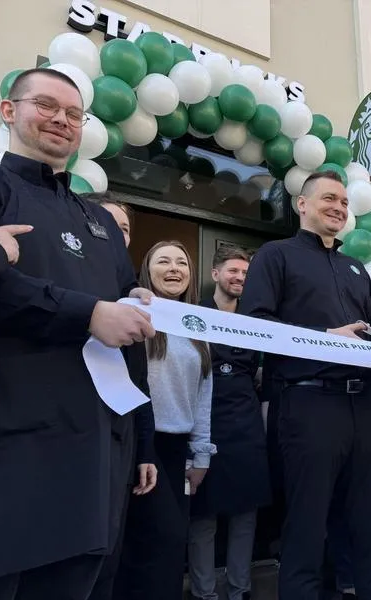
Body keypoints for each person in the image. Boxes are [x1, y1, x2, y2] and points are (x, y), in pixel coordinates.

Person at [0, 68, 155, 599]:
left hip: (94, 453)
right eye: (47, 105)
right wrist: (87, 313)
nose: (62, 120)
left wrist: (136, 304)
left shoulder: (98, 222)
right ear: (10, 110)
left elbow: (129, 336)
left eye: (75, 114)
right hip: (6, 442)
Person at [240, 171, 371, 600]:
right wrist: (325, 337)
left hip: (363, 408)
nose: (339, 208)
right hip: (307, 405)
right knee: (306, 529)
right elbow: (254, 324)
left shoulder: (355, 267)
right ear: (302, 204)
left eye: (345, 202)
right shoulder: (276, 256)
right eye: (329, 198)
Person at [113, 241, 215, 600]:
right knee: (156, 538)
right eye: (164, 261)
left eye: (182, 263)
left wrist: (200, 454)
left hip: (177, 449)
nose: (174, 269)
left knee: (171, 547)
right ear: (146, 269)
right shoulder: (132, 314)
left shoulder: (199, 326)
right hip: (141, 444)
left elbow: (204, 393)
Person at [83, 193, 157, 600]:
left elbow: (138, 385)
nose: (116, 235)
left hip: (120, 443)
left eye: (124, 229)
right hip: (70, 439)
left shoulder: (136, 301)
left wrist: (143, 450)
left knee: (108, 556)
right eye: (108, 225)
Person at [188, 245, 272, 600]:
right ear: (216, 274)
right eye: (233, 271)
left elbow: (261, 374)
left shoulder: (254, 321)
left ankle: (240, 591)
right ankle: (203, 593)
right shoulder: (193, 314)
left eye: (245, 273)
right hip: (203, 420)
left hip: (247, 426)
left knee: (245, 514)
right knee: (202, 516)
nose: (239, 278)